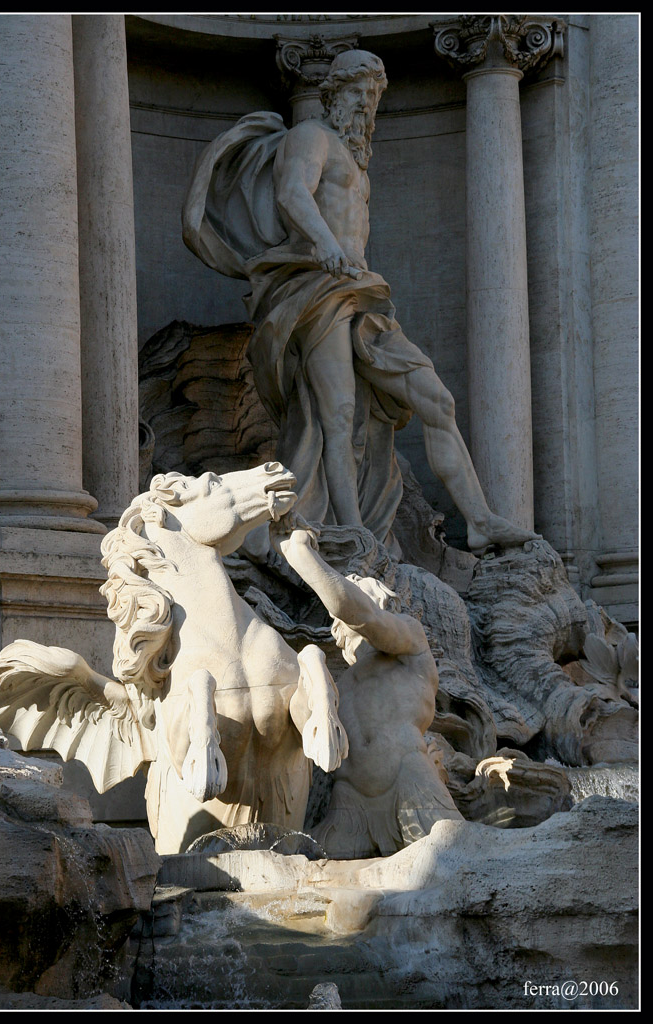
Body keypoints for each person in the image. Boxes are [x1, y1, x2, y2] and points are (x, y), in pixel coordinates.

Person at [183, 49, 538, 554]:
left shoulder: (353, 157)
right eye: (360, 93)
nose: (368, 105)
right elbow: (291, 194)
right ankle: (353, 534)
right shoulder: (310, 137)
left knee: (436, 399)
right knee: (338, 415)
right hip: (315, 287)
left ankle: (480, 520)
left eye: (374, 96)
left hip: (361, 292)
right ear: (334, 93)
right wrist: (326, 244)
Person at [270, 513, 464, 858]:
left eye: (342, 620)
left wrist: (302, 555)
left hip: (408, 783)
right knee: (310, 872)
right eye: (335, 624)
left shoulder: (411, 645)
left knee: (455, 862)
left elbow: (363, 616)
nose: (337, 627)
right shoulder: (340, 683)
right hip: (349, 802)